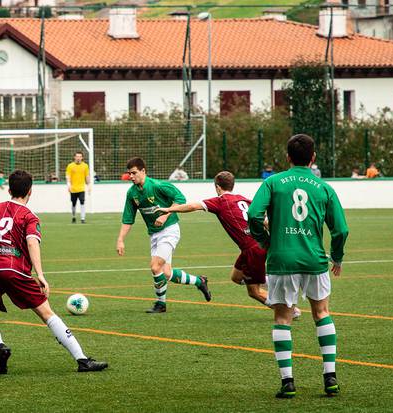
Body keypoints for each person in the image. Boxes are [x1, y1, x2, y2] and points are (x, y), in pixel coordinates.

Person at [0, 170, 108, 374]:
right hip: (14, 271)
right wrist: (40, 274)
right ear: (30, 191)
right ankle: (82, 359)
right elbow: (32, 243)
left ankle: (1, 347)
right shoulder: (29, 217)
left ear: (9, 189)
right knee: (47, 314)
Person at [248, 134, 348, 399]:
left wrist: (265, 241)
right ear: (313, 157)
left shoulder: (273, 182)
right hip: (315, 260)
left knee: (282, 317)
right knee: (322, 313)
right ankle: (330, 378)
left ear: (288, 157)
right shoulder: (323, 187)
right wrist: (336, 256)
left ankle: (288, 383)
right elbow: (341, 229)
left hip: (281, 260)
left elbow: (253, 215)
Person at [157, 171, 300, 317]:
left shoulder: (220, 201)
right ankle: (271, 281)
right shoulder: (243, 199)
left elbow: (193, 206)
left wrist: (169, 209)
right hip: (254, 247)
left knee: (254, 292)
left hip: (252, 249)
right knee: (236, 277)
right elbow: (265, 221)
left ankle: (289, 310)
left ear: (217, 187)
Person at [116, 157, 212, 313]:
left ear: (143, 171)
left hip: (170, 230)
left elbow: (180, 199)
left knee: (155, 267)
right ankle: (199, 281)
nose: (131, 177)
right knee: (166, 273)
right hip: (154, 234)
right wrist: (120, 240)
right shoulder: (132, 193)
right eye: (129, 174)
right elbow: (128, 219)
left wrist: (165, 214)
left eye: (134, 173)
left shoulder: (158, 186)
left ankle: (161, 304)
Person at [66, 151, 90, 223]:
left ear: (82, 157)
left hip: (81, 188)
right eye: (77, 156)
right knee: (73, 203)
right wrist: (69, 185)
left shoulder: (85, 166)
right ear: (74, 157)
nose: (78, 158)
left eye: (80, 156)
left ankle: (83, 218)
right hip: (73, 189)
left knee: (82, 202)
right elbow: (68, 176)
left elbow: (87, 176)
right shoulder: (70, 166)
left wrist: (89, 186)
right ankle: (73, 217)